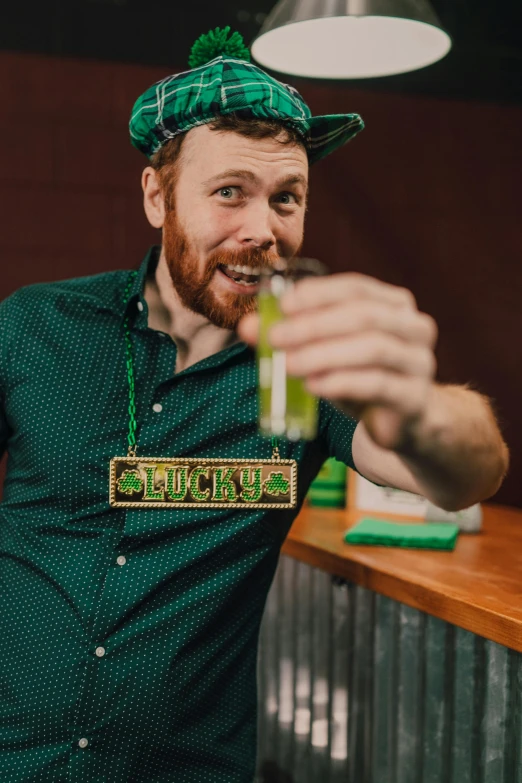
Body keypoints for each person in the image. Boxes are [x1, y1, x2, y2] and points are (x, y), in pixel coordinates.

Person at [0, 27, 508, 783]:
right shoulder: (33, 327)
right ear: (156, 196)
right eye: (230, 191)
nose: (263, 229)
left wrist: (421, 407)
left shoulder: (302, 365)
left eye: (287, 197)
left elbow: (471, 472)